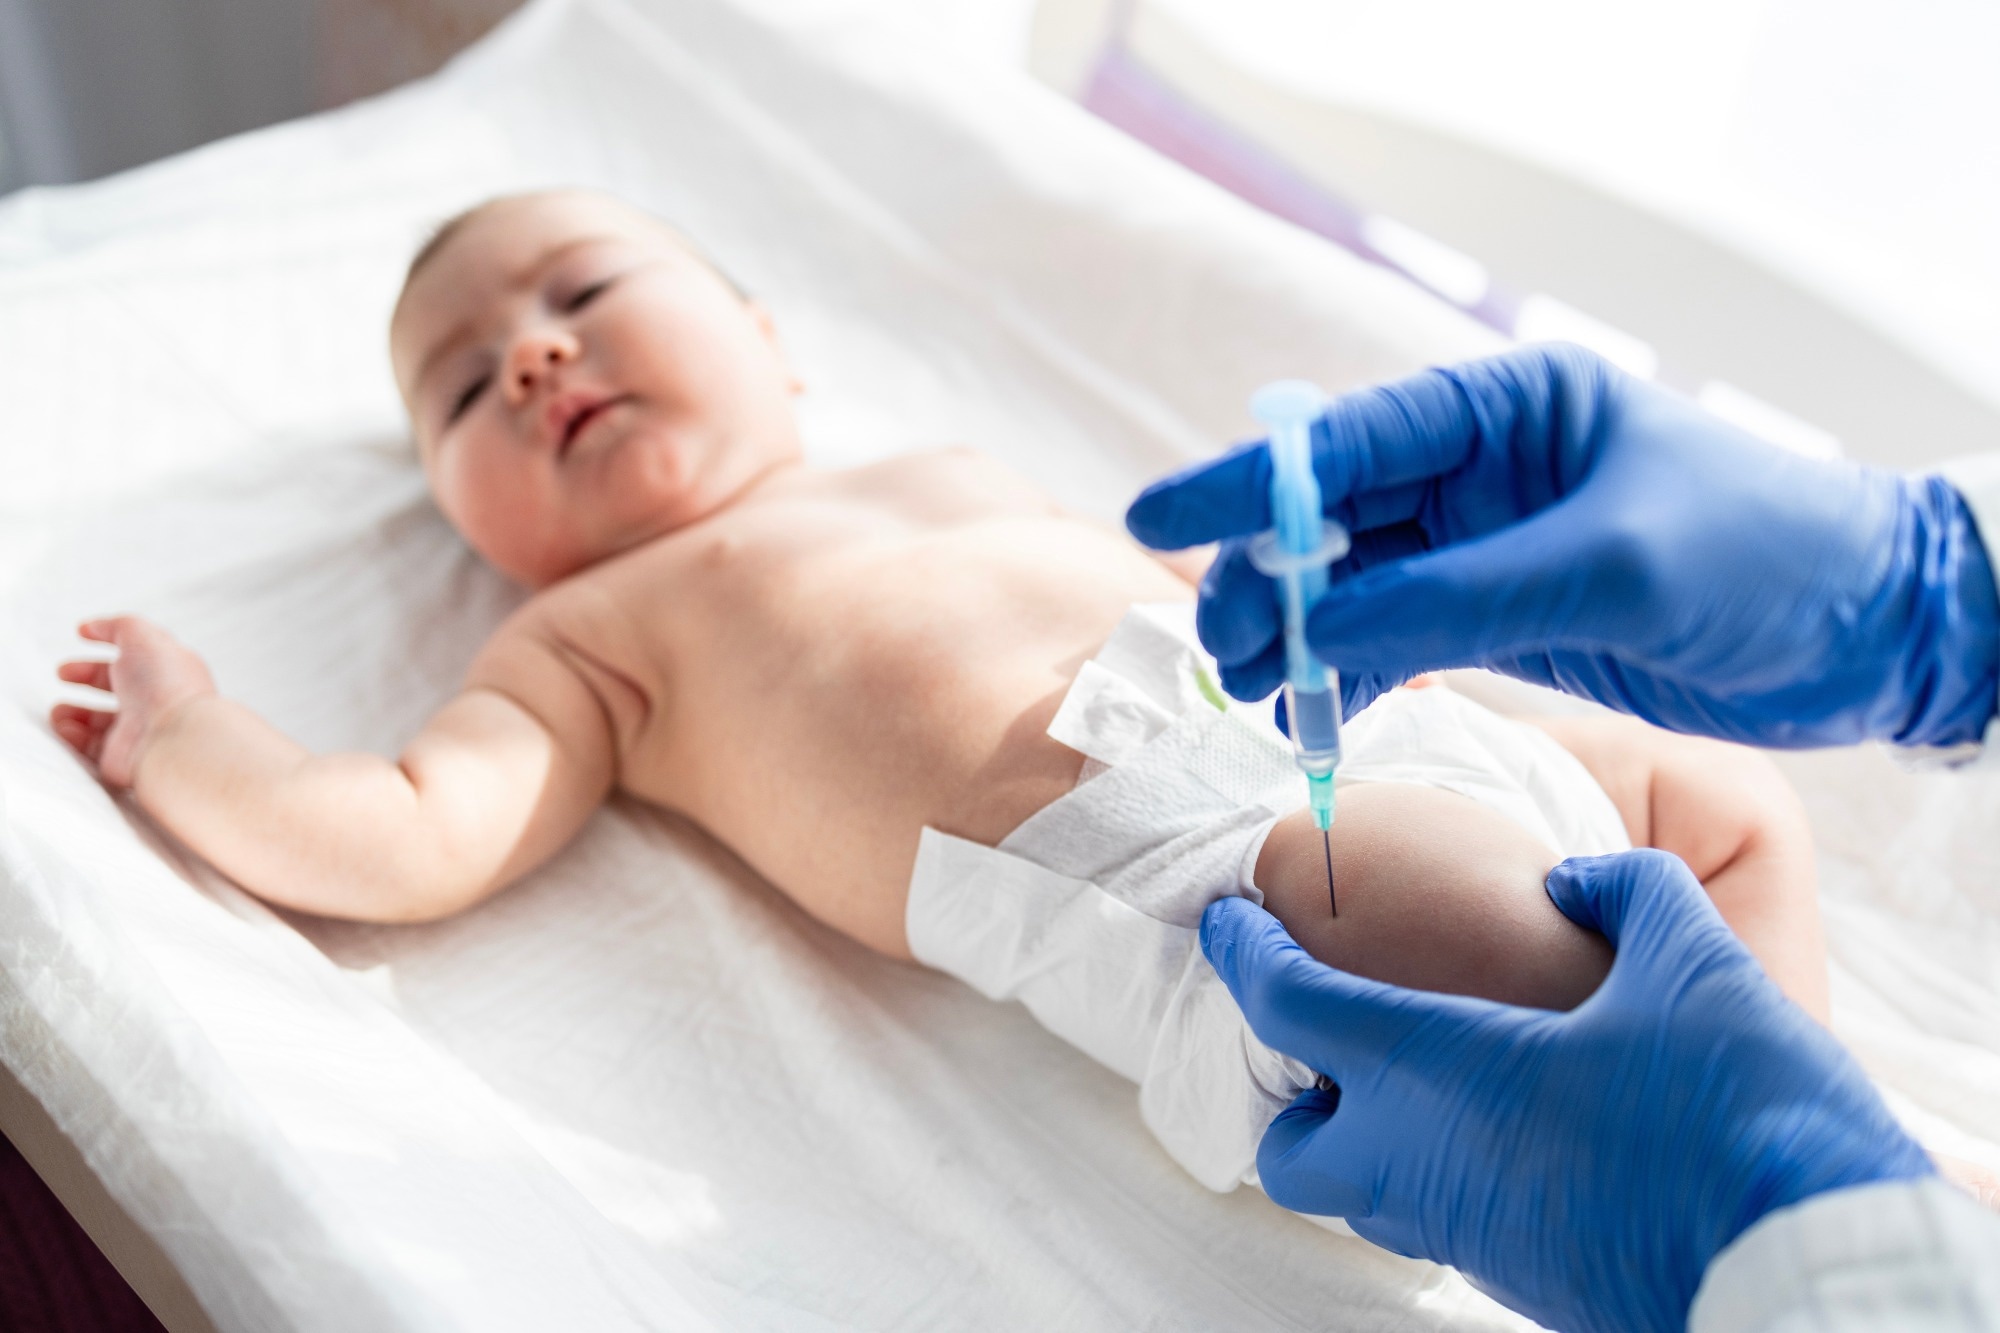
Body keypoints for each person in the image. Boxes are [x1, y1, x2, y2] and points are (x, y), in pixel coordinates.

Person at [47, 192, 1824, 1207]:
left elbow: (1188, 588)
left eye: (583, 290)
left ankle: (1803, 1120)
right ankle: (1785, 1207)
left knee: (1728, 809)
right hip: (1211, 875)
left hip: (1355, 732)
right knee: (1485, 930)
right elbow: (414, 833)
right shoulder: (593, 638)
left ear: (768, 338)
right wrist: (193, 741)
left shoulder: (944, 464)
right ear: (466, 521)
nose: (532, 353)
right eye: (460, 394)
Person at [1126, 342, 2000, 1332]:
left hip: (1281, 822)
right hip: (1415, 778)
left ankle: (1792, 1150)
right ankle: (1795, 1121)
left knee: (1467, 938)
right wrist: (1922, 598)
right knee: (1710, 812)